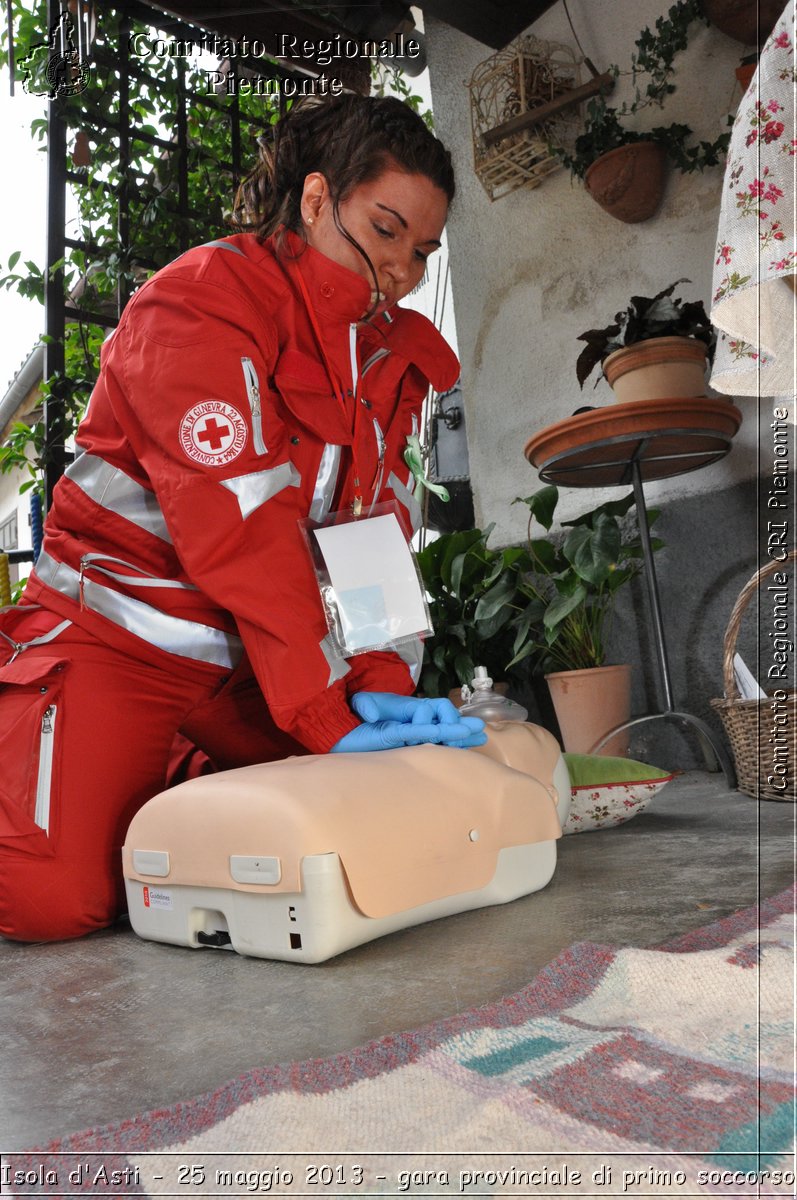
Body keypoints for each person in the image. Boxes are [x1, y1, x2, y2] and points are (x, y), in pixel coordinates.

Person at [0, 94, 486, 944]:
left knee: (361, 833)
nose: (403, 270)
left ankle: (159, 775)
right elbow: (243, 527)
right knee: (51, 904)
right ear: (313, 200)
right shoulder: (196, 305)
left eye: (421, 250)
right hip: (117, 637)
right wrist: (325, 718)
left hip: (253, 668)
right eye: (384, 230)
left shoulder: (389, 356)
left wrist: (377, 686)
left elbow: (373, 536)